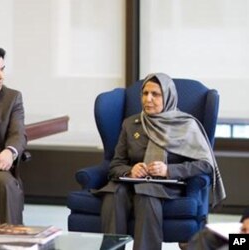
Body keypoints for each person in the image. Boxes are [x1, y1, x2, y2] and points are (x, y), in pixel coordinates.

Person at [96, 73, 226, 250]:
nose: (148, 99)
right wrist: (130, 170)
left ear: (168, 96)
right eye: (145, 93)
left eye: (155, 94)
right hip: (128, 184)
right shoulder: (130, 124)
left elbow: (205, 164)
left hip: (165, 186)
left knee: (146, 195)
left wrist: (168, 170)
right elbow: (115, 165)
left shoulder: (186, 125)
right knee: (113, 194)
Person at [0, 47, 27, 224]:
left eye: (2, 69)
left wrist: (10, 151)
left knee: (6, 184)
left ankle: (10, 241)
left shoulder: (12, 97)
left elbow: (18, 133)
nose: (1, 76)